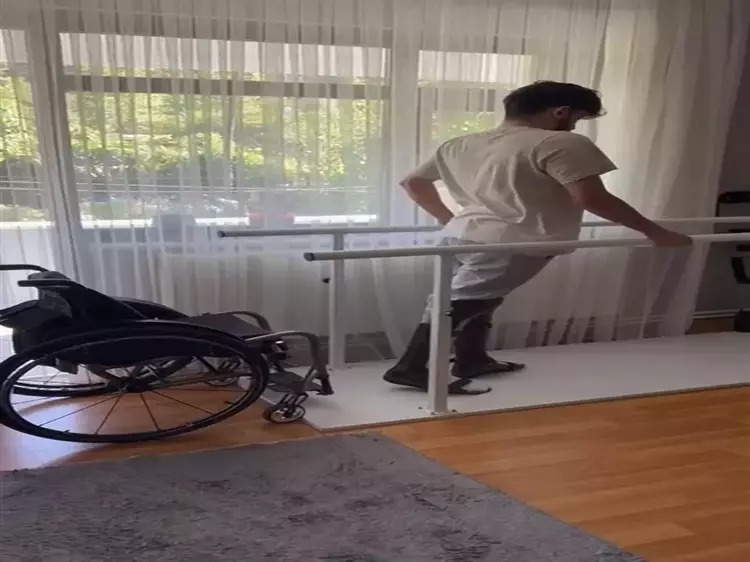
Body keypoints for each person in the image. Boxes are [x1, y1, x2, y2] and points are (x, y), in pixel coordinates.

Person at [384, 80, 692, 395]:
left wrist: (448, 219)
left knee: (477, 298)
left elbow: (413, 183)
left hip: (459, 236)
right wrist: (655, 232)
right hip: (513, 240)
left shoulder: (460, 144)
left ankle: (471, 360)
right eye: (577, 118)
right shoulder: (560, 142)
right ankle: (411, 367)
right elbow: (591, 198)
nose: (574, 126)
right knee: (462, 302)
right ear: (560, 111)